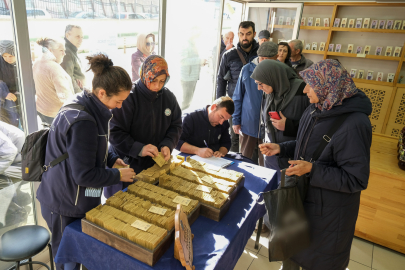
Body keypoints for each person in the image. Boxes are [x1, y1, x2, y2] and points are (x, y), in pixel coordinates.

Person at [260, 59, 372, 270]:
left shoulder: (355, 124)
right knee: (291, 254)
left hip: (328, 216)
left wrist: (312, 170)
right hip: (301, 202)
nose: (305, 91)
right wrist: (281, 148)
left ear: (327, 86)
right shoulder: (316, 108)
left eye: (311, 84)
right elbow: (307, 146)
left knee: (315, 260)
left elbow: (356, 179)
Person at [36, 54, 135, 270]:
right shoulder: (83, 122)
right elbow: (84, 175)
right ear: (101, 93)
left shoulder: (88, 105)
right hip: (64, 202)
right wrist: (118, 175)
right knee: (68, 258)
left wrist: (111, 158)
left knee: (80, 252)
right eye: (118, 101)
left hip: (79, 196)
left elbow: (96, 147)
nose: (119, 107)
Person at [107, 55, 182, 198]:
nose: (157, 86)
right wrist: (139, 148)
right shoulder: (128, 97)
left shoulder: (168, 98)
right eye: (153, 80)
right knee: (125, 204)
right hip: (128, 164)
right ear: (144, 75)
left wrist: (168, 144)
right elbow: (114, 132)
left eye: (162, 81)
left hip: (155, 165)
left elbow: (176, 125)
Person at [251, 60, 309, 180]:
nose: (258, 88)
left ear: (272, 77)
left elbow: (312, 127)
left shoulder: (302, 90)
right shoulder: (270, 90)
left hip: (292, 158)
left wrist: (288, 126)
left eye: (260, 84)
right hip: (271, 155)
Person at [232, 41, 278, 166]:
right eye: (262, 58)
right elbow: (237, 96)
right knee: (245, 161)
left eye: (269, 59)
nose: (264, 62)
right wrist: (235, 121)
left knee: (266, 163)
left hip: (270, 128)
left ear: (276, 57)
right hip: (248, 124)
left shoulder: (279, 71)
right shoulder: (247, 69)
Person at [217, 21, 259, 152]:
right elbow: (221, 80)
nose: (244, 37)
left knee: (253, 138)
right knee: (233, 135)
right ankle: (234, 167)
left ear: (254, 34)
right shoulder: (229, 55)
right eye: (241, 34)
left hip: (254, 105)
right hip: (233, 103)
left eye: (248, 34)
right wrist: (220, 103)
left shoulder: (260, 55)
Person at [33, 38, 75, 126]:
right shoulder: (54, 68)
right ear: (50, 50)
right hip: (55, 114)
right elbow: (64, 95)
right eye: (61, 50)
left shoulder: (37, 63)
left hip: (41, 109)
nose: (64, 53)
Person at [180, 28, 207, 110]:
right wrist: (199, 61)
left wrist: (201, 63)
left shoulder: (193, 43)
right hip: (187, 78)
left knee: (188, 101)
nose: (198, 34)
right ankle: (178, 120)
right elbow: (183, 60)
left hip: (192, 77)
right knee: (185, 103)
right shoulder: (185, 44)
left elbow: (192, 59)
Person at [0, 40, 20, 127]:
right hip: (6, 101)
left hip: (21, 99)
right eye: (5, 56)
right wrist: (4, 94)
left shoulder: (23, 62)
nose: (8, 58)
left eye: (11, 55)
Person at [61, 25, 85, 93]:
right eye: (77, 36)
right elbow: (69, 79)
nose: (81, 40)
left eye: (82, 37)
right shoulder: (66, 53)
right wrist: (81, 96)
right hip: (77, 96)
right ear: (67, 35)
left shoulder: (72, 50)